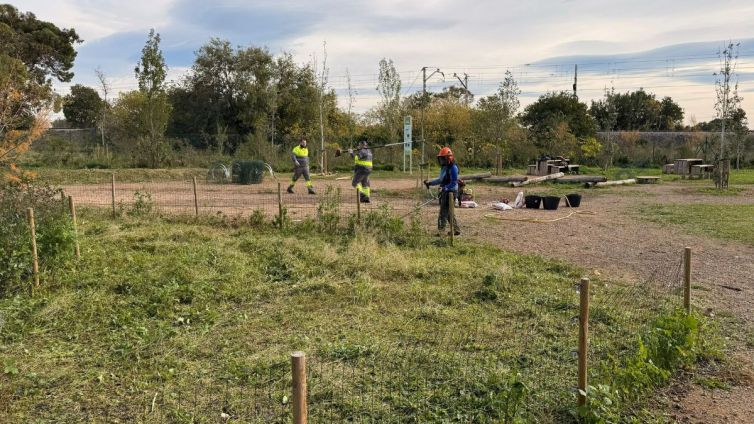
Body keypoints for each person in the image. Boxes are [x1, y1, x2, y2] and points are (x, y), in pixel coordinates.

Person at [424, 147, 460, 236]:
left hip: (451, 192)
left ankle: (441, 232)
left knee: (443, 212)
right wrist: (430, 183)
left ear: (449, 158)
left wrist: (445, 188)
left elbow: (454, 182)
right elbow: (440, 180)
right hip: (445, 191)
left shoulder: (453, 168)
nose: (441, 160)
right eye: (440, 158)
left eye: (443, 158)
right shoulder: (444, 168)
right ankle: (456, 229)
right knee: (448, 212)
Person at [349, 139, 373, 203]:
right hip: (368, 170)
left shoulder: (362, 151)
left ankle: (362, 194)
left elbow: (356, 158)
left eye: (359, 145)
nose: (358, 146)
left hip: (362, 169)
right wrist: (358, 150)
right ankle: (366, 198)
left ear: (362, 145)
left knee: (355, 183)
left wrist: (351, 152)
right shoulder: (369, 151)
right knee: (365, 184)